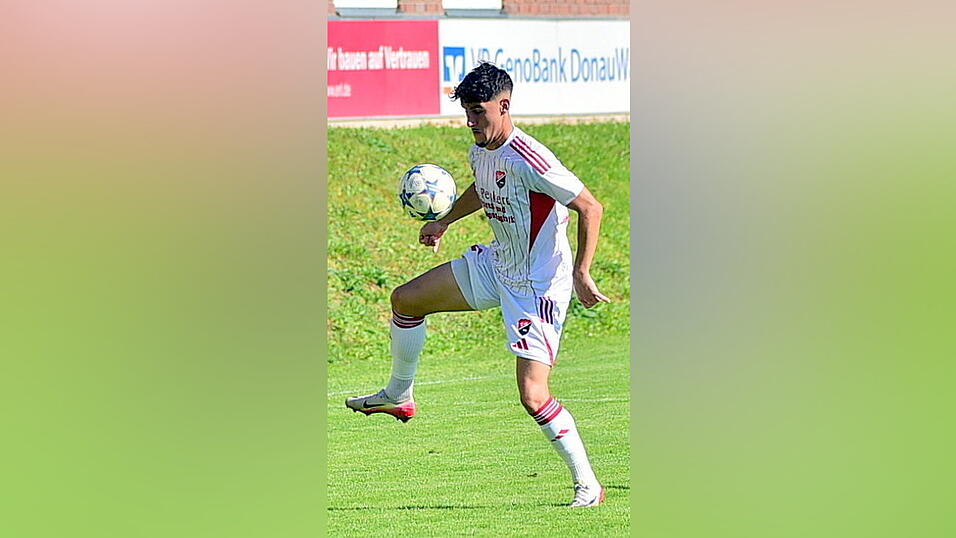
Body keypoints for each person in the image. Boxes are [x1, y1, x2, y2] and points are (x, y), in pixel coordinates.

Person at [345, 62, 610, 508]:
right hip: (497, 265)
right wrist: (445, 220)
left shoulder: (533, 159)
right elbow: (482, 188)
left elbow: (591, 207)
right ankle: (399, 394)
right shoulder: (481, 149)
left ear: (504, 106)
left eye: (478, 112)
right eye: (466, 111)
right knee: (406, 300)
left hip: (536, 285)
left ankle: (588, 484)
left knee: (533, 395)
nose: (470, 121)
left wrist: (583, 271)